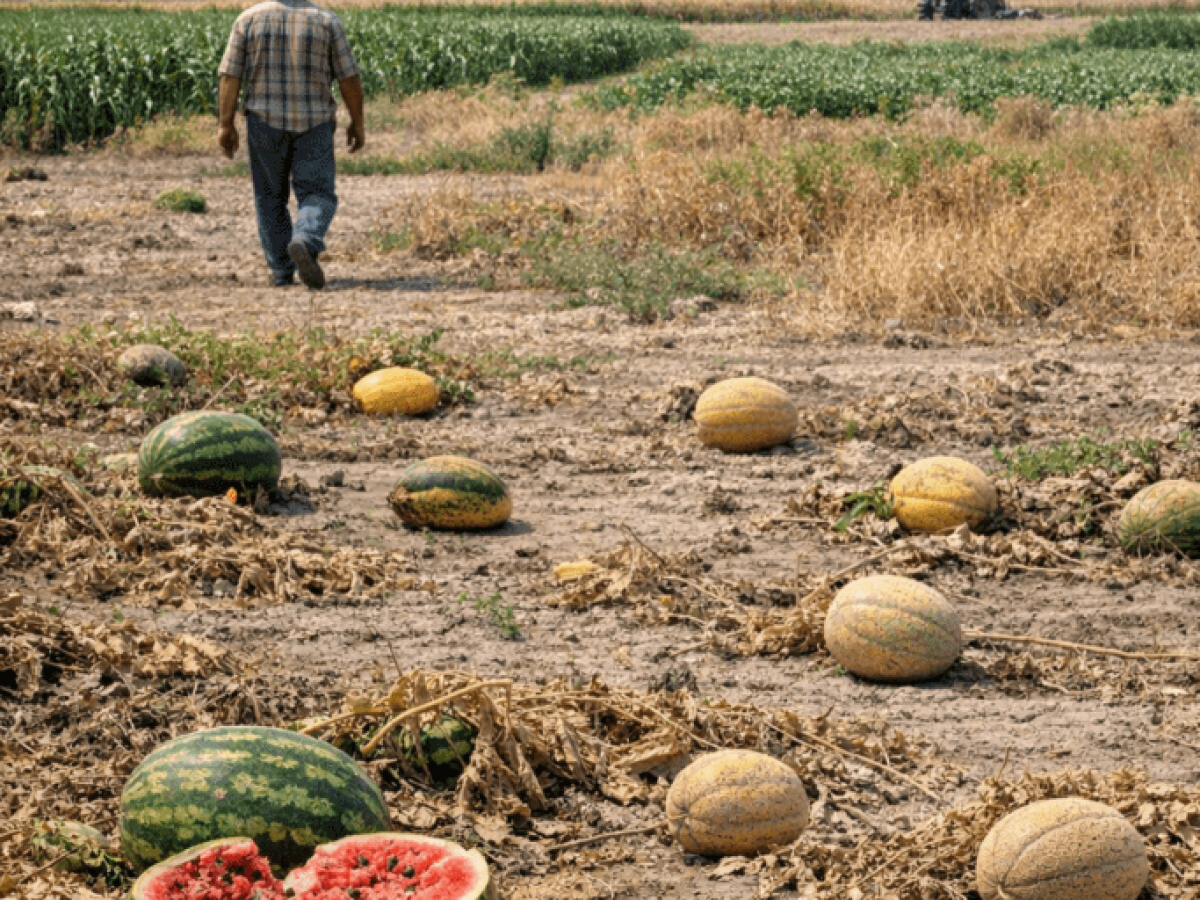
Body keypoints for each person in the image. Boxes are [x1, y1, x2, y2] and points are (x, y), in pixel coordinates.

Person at [216, 0, 366, 289]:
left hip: (264, 122)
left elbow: (230, 75)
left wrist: (225, 124)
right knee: (318, 192)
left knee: (270, 196)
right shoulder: (326, 22)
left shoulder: (248, 20)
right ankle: (306, 239)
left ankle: (281, 270)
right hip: (315, 123)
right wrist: (357, 122)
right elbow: (349, 78)